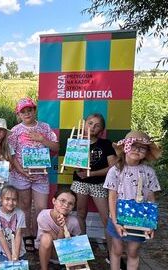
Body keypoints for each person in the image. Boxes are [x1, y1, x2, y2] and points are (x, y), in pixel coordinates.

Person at [104, 131, 161, 270]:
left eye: (142, 148)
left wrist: (151, 224)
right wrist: (115, 221)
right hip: (117, 216)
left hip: (139, 218)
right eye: (133, 146)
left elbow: (151, 198)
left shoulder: (149, 172)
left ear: (147, 152)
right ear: (125, 147)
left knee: (133, 252)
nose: (137, 150)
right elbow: (111, 196)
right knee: (116, 250)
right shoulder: (115, 170)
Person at [8, 98, 59, 251]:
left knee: (41, 207)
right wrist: (21, 170)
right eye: (23, 111)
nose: (27, 113)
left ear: (34, 110)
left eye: (29, 110)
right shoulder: (15, 130)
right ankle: (27, 234)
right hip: (21, 175)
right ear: (19, 114)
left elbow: (56, 146)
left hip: (41, 176)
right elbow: (10, 154)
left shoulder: (44, 127)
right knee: (24, 206)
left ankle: (39, 235)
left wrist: (42, 139)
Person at [70, 113, 116, 254]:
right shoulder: (76, 142)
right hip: (80, 183)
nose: (92, 127)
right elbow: (72, 163)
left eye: (97, 126)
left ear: (101, 130)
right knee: (80, 214)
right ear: (84, 125)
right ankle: (82, 250)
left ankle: (112, 251)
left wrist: (91, 174)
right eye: (90, 123)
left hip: (99, 184)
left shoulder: (106, 144)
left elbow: (112, 168)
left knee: (106, 217)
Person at [36, 189, 80, 270]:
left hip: (64, 252)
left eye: (70, 203)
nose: (66, 205)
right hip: (48, 250)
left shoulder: (74, 222)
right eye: (62, 201)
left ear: (73, 207)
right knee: (46, 237)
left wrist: (64, 227)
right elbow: (57, 243)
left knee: (76, 243)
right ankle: (44, 268)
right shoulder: (43, 216)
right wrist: (62, 227)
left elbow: (75, 244)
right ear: (54, 201)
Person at [0, 185, 26, 263]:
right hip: (2, 251)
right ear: (1, 199)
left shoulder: (20, 214)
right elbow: (1, 237)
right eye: (7, 199)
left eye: (14, 199)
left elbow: (18, 236)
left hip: (18, 249)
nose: (10, 202)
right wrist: (10, 258)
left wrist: (16, 256)